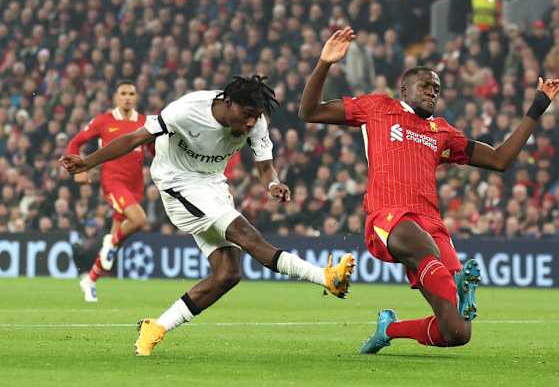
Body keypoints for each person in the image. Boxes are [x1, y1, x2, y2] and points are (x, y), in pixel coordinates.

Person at [299, 27, 559, 353]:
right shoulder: (378, 108)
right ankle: (455, 284)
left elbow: (500, 159)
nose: (432, 92)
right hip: (389, 217)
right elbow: (308, 112)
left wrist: (537, 108)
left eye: (436, 89)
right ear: (404, 88)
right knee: (426, 250)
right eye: (425, 85)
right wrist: (324, 63)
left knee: (456, 332)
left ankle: (389, 329)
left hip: (430, 223)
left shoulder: (441, 132)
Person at [60, 75, 355, 356]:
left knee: (228, 274)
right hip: (177, 184)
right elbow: (134, 138)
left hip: (213, 185)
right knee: (246, 234)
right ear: (229, 103)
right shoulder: (186, 111)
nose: (251, 122)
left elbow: (265, 165)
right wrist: (87, 163)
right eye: (247, 114)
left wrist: (273, 183)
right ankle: (325, 277)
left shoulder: (255, 123)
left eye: (255, 116)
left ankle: (156, 327)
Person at [66, 80, 149, 302]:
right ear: (115, 97)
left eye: (132, 93)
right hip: (113, 182)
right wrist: (77, 171)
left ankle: (90, 280)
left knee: (117, 239)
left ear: (137, 97)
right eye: (123, 93)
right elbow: (75, 143)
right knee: (138, 220)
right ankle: (110, 243)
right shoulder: (104, 121)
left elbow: (154, 149)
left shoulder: (144, 122)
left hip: (136, 184)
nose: (128, 97)